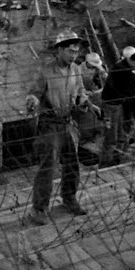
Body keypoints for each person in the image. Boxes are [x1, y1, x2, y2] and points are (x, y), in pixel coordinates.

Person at [25, 29, 98, 224]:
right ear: (59, 50)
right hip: (50, 125)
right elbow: (34, 92)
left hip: (68, 124)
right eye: (70, 52)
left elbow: (80, 90)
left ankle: (70, 199)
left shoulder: (75, 69)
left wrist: (84, 100)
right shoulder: (45, 71)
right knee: (47, 168)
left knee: (73, 164)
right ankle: (39, 209)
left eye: (76, 52)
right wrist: (32, 101)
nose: (74, 56)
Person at [99, 48, 135, 163]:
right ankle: (106, 162)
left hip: (118, 104)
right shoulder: (122, 70)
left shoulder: (124, 67)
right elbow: (130, 84)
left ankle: (118, 158)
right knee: (112, 137)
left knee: (122, 135)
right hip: (110, 106)